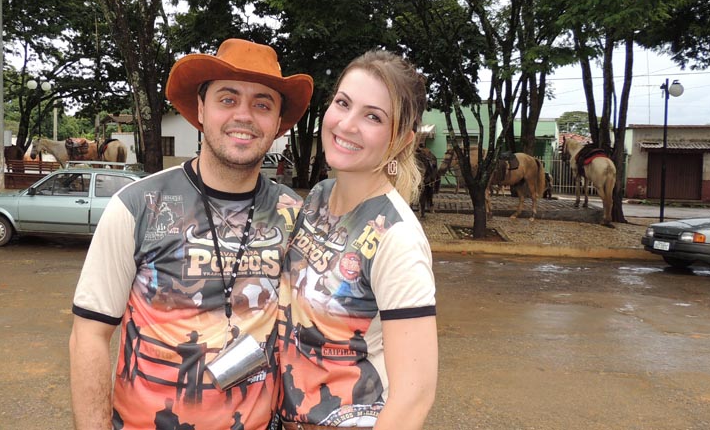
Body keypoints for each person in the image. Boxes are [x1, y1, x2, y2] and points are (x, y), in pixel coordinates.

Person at [69, 39, 313, 429]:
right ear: (201, 109)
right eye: (227, 99)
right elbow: (90, 335)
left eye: (262, 104)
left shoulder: (294, 215)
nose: (244, 116)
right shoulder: (137, 206)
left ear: (278, 121)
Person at [278, 50, 437, 429]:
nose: (347, 124)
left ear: (402, 141)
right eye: (343, 103)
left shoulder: (397, 238)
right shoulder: (318, 197)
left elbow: (414, 397)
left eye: (373, 116)